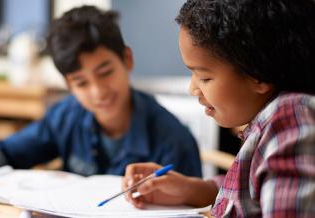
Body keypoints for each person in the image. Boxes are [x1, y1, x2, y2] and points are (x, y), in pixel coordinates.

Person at [0, 6, 202, 182]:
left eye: (105, 72)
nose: (98, 91)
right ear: (68, 85)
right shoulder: (66, 115)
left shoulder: (172, 140)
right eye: (80, 82)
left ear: (127, 59)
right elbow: (9, 150)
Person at [122, 0, 315, 217]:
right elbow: (252, 191)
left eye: (204, 77)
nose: (193, 88)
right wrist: (192, 189)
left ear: (258, 74)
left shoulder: (290, 120)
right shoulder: (274, 122)